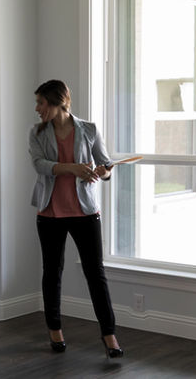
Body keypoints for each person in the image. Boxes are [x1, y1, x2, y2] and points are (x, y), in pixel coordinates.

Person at [28, 79, 123, 359]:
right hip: (50, 212)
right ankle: (54, 329)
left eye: (41, 103)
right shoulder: (37, 132)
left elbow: (105, 167)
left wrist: (102, 172)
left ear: (58, 102)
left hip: (85, 212)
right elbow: (39, 165)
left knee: (96, 274)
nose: (37, 108)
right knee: (52, 272)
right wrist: (74, 168)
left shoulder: (89, 129)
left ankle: (109, 334)